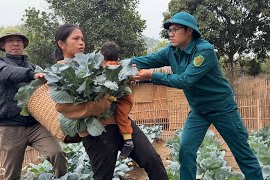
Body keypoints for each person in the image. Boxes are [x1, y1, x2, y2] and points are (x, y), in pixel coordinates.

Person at [130, 12, 263, 180]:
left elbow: (185, 80)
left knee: (242, 153)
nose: (170, 33)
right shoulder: (171, 51)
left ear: (189, 31)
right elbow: (143, 60)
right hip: (199, 111)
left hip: (222, 108)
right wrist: (113, 63)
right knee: (185, 150)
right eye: (169, 30)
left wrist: (152, 76)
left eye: (175, 29)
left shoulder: (204, 51)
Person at [53, 24, 169, 180]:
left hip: (120, 122)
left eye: (82, 39)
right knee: (104, 176)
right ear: (61, 44)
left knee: (152, 159)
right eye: (75, 39)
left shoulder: (91, 63)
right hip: (96, 132)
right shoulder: (59, 71)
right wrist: (101, 104)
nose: (81, 42)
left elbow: (111, 85)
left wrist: (124, 79)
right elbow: (62, 107)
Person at [0, 27, 67, 179]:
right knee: (12, 174)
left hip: (35, 125)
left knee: (57, 153)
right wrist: (32, 75)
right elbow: (6, 73)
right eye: (10, 40)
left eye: (18, 40)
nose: (15, 44)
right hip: (11, 127)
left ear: (23, 44)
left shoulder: (33, 66)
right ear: (3, 45)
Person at [100, 41, 134, 159]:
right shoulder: (108, 66)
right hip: (115, 98)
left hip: (123, 99)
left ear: (102, 55)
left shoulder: (111, 66)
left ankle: (129, 142)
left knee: (121, 116)